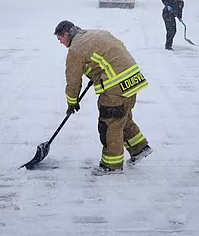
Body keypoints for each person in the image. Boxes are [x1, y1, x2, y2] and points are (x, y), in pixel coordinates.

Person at [54, 20, 152, 175]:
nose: (61, 43)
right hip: (133, 79)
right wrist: (98, 71)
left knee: (109, 124)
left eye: (60, 39)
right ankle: (139, 148)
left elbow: (73, 80)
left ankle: (111, 166)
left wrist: (72, 102)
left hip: (116, 85)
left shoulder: (75, 49)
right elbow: (115, 51)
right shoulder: (99, 33)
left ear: (66, 33)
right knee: (122, 116)